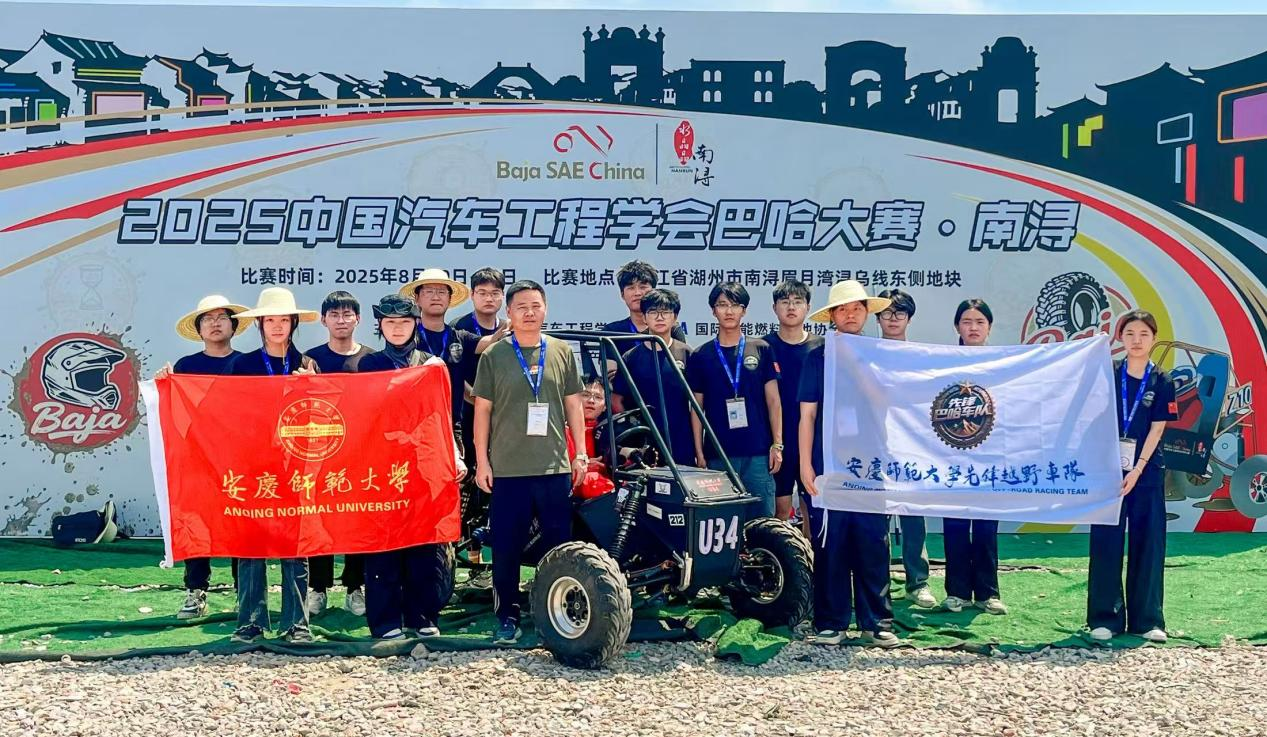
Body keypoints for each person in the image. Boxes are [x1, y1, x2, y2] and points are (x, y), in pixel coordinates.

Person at [472, 280, 587, 646]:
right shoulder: (495, 355)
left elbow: (574, 405)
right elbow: (482, 411)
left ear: (546, 309)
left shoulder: (561, 351)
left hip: (554, 468)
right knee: (506, 548)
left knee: (559, 548)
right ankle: (507, 616)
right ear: (509, 312)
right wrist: (482, 462)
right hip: (508, 470)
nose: (529, 312)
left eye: (536, 305)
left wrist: (580, 453)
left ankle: (557, 614)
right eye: (521, 306)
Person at [355, 294, 466, 639]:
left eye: (404, 322)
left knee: (424, 541)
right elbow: (364, 415)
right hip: (383, 463)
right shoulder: (369, 365)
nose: (397, 328)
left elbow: (445, 415)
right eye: (390, 323)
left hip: (424, 464)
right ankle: (385, 620)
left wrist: (455, 454)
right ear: (380, 326)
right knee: (384, 541)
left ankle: (422, 616)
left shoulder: (432, 364)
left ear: (415, 324)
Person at [798, 280, 899, 647]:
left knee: (873, 542)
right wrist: (805, 465)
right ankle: (832, 622)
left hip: (871, 464)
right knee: (832, 543)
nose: (851, 314)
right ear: (832, 316)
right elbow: (807, 415)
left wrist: (856, 361)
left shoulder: (880, 354)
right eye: (843, 309)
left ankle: (877, 622)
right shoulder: (817, 355)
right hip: (829, 464)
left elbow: (884, 401)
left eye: (857, 308)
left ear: (867, 313)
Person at [227, 287, 320, 644]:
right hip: (253, 465)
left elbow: (323, 415)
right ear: (260, 324)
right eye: (270, 320)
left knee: (295, 546)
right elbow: (225, 412)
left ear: (294, 323)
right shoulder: (243, 365)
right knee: (251, 544)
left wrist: (309, 389)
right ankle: (250, 622)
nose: (277, 326)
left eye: (284, 320)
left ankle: (297, 623)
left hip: (296, 465)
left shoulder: (307, 364)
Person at [1087, 310, 1176, 643]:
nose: (1136, 341)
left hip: (1147, 473)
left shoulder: (1162, 380)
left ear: (1154, 339)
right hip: (1109, 472)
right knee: (1106, 542)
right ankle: (1104, 618)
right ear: (1120, 338)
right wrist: (1110, 464)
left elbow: (1157, 429)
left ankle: (1147, 620)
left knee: (1148, 543)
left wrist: (1137, 469)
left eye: (1143, 334)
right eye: (1130, 334)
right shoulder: (1108, 374)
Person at [161, 295, 251, 620]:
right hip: (199, 459)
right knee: (197, 525)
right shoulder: (186, 367)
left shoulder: (248, 364)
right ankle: (196, 590)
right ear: (199, 329)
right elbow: (176, 412)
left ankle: (245, 593)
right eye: (208, 319)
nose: (215, 323)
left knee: (241, 525)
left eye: (222, 317)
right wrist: (165, 386)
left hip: (240, 458)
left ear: (233, 326)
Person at [303, 291, 372, 618]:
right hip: (320, 454)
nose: (341, 320)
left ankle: (354, 587)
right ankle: (317, 588)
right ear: (323, 320)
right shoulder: (310, 360)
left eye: (347, 314)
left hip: (361, 453)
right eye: (334, 314)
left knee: (357, 520)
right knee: (320, 522)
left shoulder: (372, 360)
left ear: (358, 319)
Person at [687, 282, 781, 518]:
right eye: (722, 305)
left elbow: (774, 401)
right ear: (713, 311)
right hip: (718, 454)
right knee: (722, 521)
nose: (729, 311)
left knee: (762, 521)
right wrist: (699, 452)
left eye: (735, 305)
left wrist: (777, 444)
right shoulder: (701, 355)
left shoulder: (761, 349)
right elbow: (696, 408)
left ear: (744, 310)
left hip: (758, 453)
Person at [941, 298, 1007, 616]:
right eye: (967, 321)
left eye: (980, 322)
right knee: (954, 524)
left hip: (988, 456)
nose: (973, 327)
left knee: (985, 526)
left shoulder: (1002, 364)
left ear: (989, 327)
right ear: (957, 326)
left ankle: (987, 593)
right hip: (950, 454)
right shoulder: (942, 364)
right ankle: (956, 592)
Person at [875, 288, 936, 610]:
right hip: (875, 444)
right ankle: (877, 583)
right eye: (886, 313)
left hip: (912, 445)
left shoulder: (920, 357)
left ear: (909, 318)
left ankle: (918, 583)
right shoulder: (865, 354)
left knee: (913, 516)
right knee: (877, 521)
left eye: (899, 313)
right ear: (877, 318)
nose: (893, 318)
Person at [611, 288, 696, 467]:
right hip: (645, 443)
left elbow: (698, 401)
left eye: (665, 312)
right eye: (653, 312)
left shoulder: (686, 353)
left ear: (675, 317)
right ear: (644, 317)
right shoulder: (631, 357)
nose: (659, 317)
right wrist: (634, 430)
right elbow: (616, 400)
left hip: (681, 441)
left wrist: (698, 448)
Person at [762, 280, 823, 522]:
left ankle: (810, 549)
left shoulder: (821, 347)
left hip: (812, 440)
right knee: (780, 511)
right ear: (774, 308)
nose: (791, 307)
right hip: (777, 441)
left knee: (812, 510)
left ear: (808, 307)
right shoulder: (764, 347)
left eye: (798, 302)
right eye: (785, 302)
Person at [602, 260, 688, 341]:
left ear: (654, 292)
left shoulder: (671, 329)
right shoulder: (611, 332)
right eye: (631, 288)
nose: (637, 293)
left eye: (643, 287)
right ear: (622, 295)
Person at [450, 267, 506, 337]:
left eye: (495, 293)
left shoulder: (508, 329)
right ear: (472, 294)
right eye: (482, 293)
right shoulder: (457, 326)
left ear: (503, 295)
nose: (489, 299)